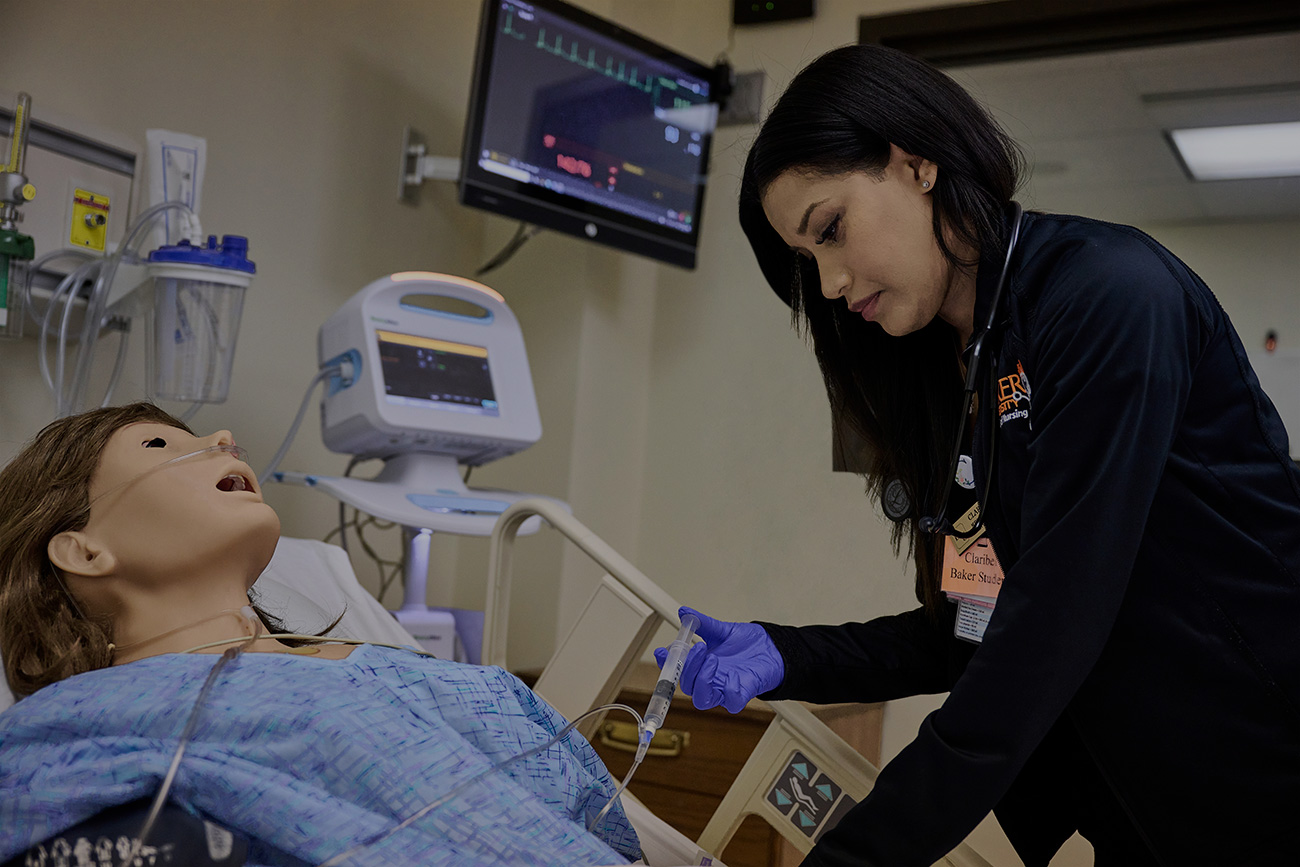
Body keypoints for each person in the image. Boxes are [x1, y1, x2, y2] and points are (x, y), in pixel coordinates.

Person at [659, 43, 1300, 867]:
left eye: (831, 230)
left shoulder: (1107, 298)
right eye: (808, 258)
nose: (827, 282)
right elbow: (978, 625)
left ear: (916, 162)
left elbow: (1046, 633)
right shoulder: (965, 367)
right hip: (1154, 808)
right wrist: (792, 654)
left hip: (1264, 775)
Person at [0, 402, 641, 866]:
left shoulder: (408, 668)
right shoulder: (79, 726)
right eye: (158, 447)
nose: (223, 436)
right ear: (83, 552)